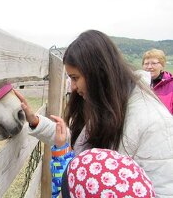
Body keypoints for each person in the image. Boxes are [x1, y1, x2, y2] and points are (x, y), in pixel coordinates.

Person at [14, 30, 173, 198]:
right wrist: (36, 122)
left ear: (99, 73)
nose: (73, 87)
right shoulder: (109, 105)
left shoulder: (154, 122)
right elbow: (80, 144)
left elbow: (165, 189)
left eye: (75, 78)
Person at [142, 49, 173, 114]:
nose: (149, 67)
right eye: (146, 63)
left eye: (154, 63)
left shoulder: (171, 85)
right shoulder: (138, 85)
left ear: (162, 65)